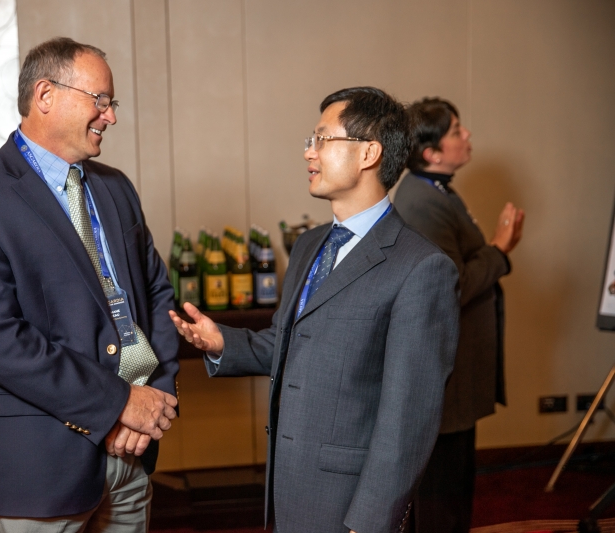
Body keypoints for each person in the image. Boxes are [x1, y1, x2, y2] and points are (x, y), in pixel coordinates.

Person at [170, 87, 460, 533]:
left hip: (350, 503)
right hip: (289, 485)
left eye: (322, 139)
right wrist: (222, 342)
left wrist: (370, 522)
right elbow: (293, 342)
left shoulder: (421, 267)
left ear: (368, 153)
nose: (309, 152)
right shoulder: (309, 245)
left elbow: (409, 420)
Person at [0, 38, 179, 533]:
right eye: (100, 100)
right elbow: (0, 342)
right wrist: (118, 405)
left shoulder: (116, 187)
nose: (111, 116)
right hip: (41, 464)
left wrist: (153, 398)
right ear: (45, 95)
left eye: (112, 103)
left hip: (132, 453)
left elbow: (157, 296)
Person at [393, 97, 524, 533]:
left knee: (453, 488)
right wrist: (499, 248)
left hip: (454, 368)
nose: (466, 135)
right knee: (441, 498)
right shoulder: (422, 201)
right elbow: (451, 286)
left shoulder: (437, 188)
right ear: (431, 152)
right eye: (456, 130)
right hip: (442, 372)